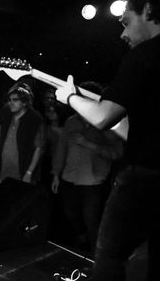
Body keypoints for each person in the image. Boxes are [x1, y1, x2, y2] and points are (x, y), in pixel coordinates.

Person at [54, 0, 160, 280]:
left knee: (110, 257)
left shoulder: (147, 53)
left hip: (144, 178)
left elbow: (104, 117)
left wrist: (70, 97)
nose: (123, 34)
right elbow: (140, 127)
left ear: (148, 11)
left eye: (126, 22)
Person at [51, 81, 124, 255]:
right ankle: (81, 241)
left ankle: (95, 256)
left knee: (91, 219)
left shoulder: (108, 125)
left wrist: (89, 144)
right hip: (69, 177)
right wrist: (55, 173)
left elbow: (116, 153)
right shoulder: (71, 121)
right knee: (70, 213)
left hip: (93, 181)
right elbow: (61, 148)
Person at [0, 82, 45, 187]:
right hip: (4, 166)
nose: (11, 103)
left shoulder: (35, 118)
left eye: (15, 100)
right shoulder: (6, 112)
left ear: (25, 102)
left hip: (23, 169)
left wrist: (29, 172)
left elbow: (39, 148)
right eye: (10, 100)